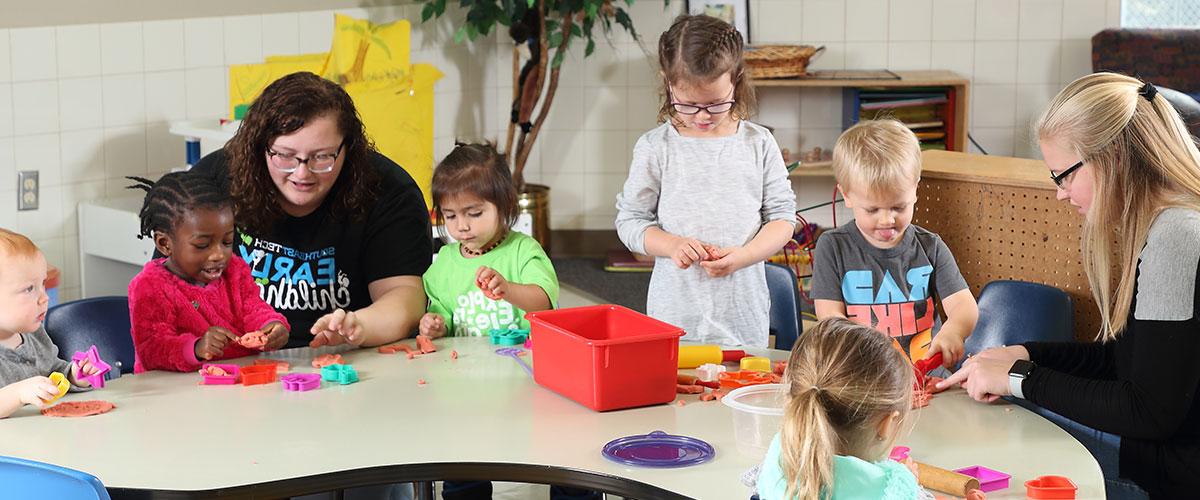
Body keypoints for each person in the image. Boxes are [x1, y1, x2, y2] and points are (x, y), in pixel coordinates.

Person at [940, 72, 1200, 497]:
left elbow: (1149, 411)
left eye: (1063, 174)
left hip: (1172, 476)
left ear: (1113, 157)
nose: (1060, 192)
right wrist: (1023, 355)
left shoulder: (1177, 236)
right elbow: (1128, 363)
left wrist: (1018, 378)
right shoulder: (1172, 222)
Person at [190, 71, 432, 349]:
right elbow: (168, 285)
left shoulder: (388, 190)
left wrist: (359, 326)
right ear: (259, 147)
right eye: (284, 156)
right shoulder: (212, 184)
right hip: (231, 362)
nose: (302, 173)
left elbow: (405, 296)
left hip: (349, 359)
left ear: (348, 148)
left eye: (321, 157)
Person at [614, 14, 796, 348]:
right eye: (686, 104)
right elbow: (630, 221)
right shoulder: (656, 147)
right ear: (667, 84)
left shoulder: (758, 143)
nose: (701, 116)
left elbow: (783, 219)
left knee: (738, 388)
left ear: (736, 82)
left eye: (714, 104)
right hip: (675, 311)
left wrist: (744, 256)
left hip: (742, 311)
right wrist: (672, 245)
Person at [811, 119, 978, 368]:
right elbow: (830, 318)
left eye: (899, 207)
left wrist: (954, 330)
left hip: (926, 376)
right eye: (872, 209)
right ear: (846, 195)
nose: (887, 219)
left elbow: (964, 306)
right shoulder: (833, 247)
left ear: (915, 190)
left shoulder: (930, 247)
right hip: (862, 374)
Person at [126, 173, 290, 373]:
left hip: (238, 383)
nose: (218, 255)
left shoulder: (235, 270)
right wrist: (195, 348)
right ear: (164, 243)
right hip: (174, 393)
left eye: (227, 242)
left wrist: (271, 325)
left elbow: (254, 308)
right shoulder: (150, 286)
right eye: (202, 245)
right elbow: (152, 349)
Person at [756, 317, 919, 499]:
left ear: (792, 402)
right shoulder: (892, 488)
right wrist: (906, 484)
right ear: (886, 424)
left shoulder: (779, 453)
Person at [419, 142, 557, 339]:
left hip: (519, 360)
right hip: (464, 365)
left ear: (505, 205)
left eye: (474, 213)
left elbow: (544, 302)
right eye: (450, 216)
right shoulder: (445, 262)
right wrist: (436, 325)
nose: (462, 226)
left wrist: (508, 289)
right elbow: (443, 313)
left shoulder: (522, 251)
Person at [0, 229, 103, 418]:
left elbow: (52, 372)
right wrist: (18, 394)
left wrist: (74, 376)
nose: (44, 298)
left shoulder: (35, 334)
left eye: (43, 284)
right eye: (29, 289)